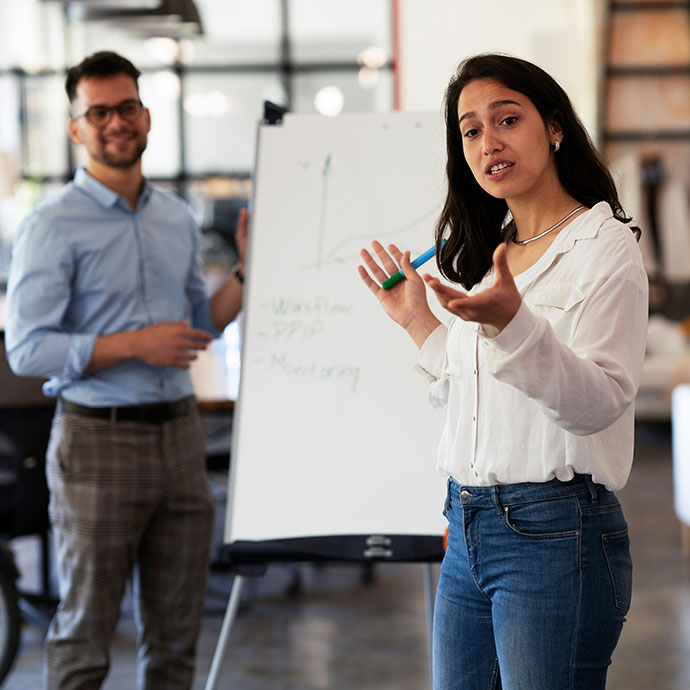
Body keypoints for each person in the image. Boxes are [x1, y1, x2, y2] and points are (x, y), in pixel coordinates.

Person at [358, 53, 648, 690]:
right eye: (469, 130)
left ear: (553, 127)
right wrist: (416, 322)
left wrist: (516, 326)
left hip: (555, 536)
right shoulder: (499, 252)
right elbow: (480, 390)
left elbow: (600, 402)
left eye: (506, 119)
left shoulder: (604, 245)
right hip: (467, 528)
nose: (488, 142)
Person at [5, 51, 247, 690]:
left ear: (145, 115)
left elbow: (199, 324)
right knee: (85, 639)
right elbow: (27, 349)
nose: (117, 121)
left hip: (180, 440)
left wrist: (248, 269)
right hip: (97, 442)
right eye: (99, 111)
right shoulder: (50, 226)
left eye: (127, 107)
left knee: (175, 643)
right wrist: (135, 343)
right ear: (76, 128)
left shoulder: (174, 217)